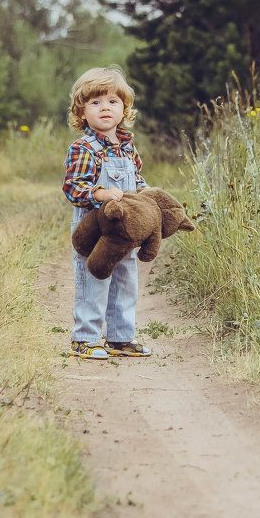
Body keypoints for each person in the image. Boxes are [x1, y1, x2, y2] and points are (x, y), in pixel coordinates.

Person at [62, 64, 151, 360]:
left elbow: (138, 182)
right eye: (95, 102)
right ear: (81, 111)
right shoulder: (83, 148)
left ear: (124, 109)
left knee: (126, 280)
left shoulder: (127, 149)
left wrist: (149, 202)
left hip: (124, 232)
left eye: (113, 102)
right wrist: (99, 193)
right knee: (94, 281)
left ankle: (120, 337)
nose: (105, 108)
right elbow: (73, 187)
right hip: (94, 231)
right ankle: (85, 338)